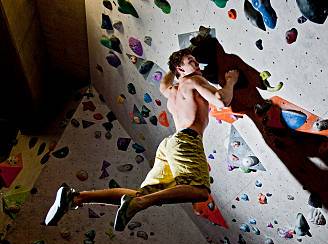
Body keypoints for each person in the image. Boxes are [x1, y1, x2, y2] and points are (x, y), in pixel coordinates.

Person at [44, 48, 239, 231]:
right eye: (192, 62)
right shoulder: (192, 80)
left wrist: (173, 68)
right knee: (199, 191)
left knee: (141, 194)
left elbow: (163, 84)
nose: (197, 65)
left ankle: (76, 197)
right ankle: (138, 203)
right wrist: (231, 81)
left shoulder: (172, 92)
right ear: (181, 69)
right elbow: (222, 100)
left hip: (169, 145)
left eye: (196, 62)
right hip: (187, 141)